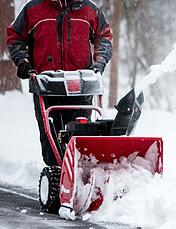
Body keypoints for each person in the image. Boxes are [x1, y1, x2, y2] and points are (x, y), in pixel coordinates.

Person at [7, 0, 113, 166]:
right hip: (46, 84)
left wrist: (99, 63)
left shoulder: (89, 9)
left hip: (81, 84)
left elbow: (104, 36)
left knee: (81, 135)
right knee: (51, 135)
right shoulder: (33, 8)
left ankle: (80, 173)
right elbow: (16, 37)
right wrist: (23, 62)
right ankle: (56, 173)